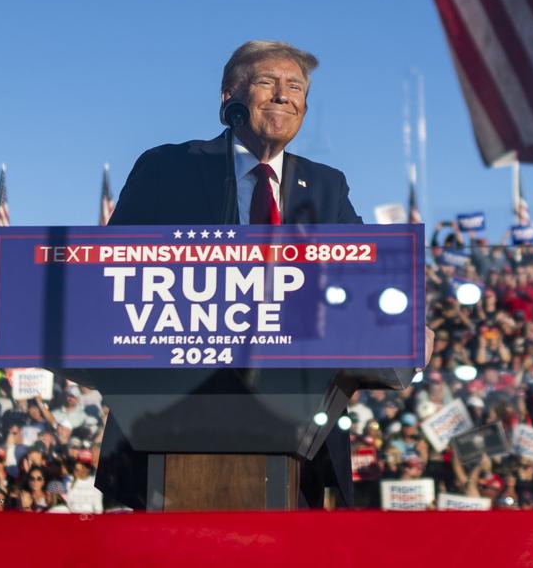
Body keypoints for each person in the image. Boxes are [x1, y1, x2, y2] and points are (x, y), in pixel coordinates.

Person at [95, 40, 365, 510]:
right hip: (167, 425)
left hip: (296, 440)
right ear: (229, 98)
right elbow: (112, 268)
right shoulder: (168, 167)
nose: (283, 95)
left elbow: (365, 276)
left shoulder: (327, 185)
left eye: (295, 87)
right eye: (267, 82)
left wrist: (405, 325)